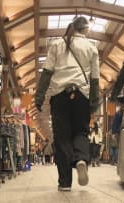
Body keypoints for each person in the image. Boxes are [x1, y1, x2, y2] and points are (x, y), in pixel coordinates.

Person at [35, 16, 100, 191]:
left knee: (62, 138)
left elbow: (47, 73)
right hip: (81, 96)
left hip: (60, 96)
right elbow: (95, 80)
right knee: (81, 131)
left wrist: (39, 97)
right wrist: (94, 103)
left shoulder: (57, 44)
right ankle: (80, 159)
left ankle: (65, 182)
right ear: (85, 29)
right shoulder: (92, 48)